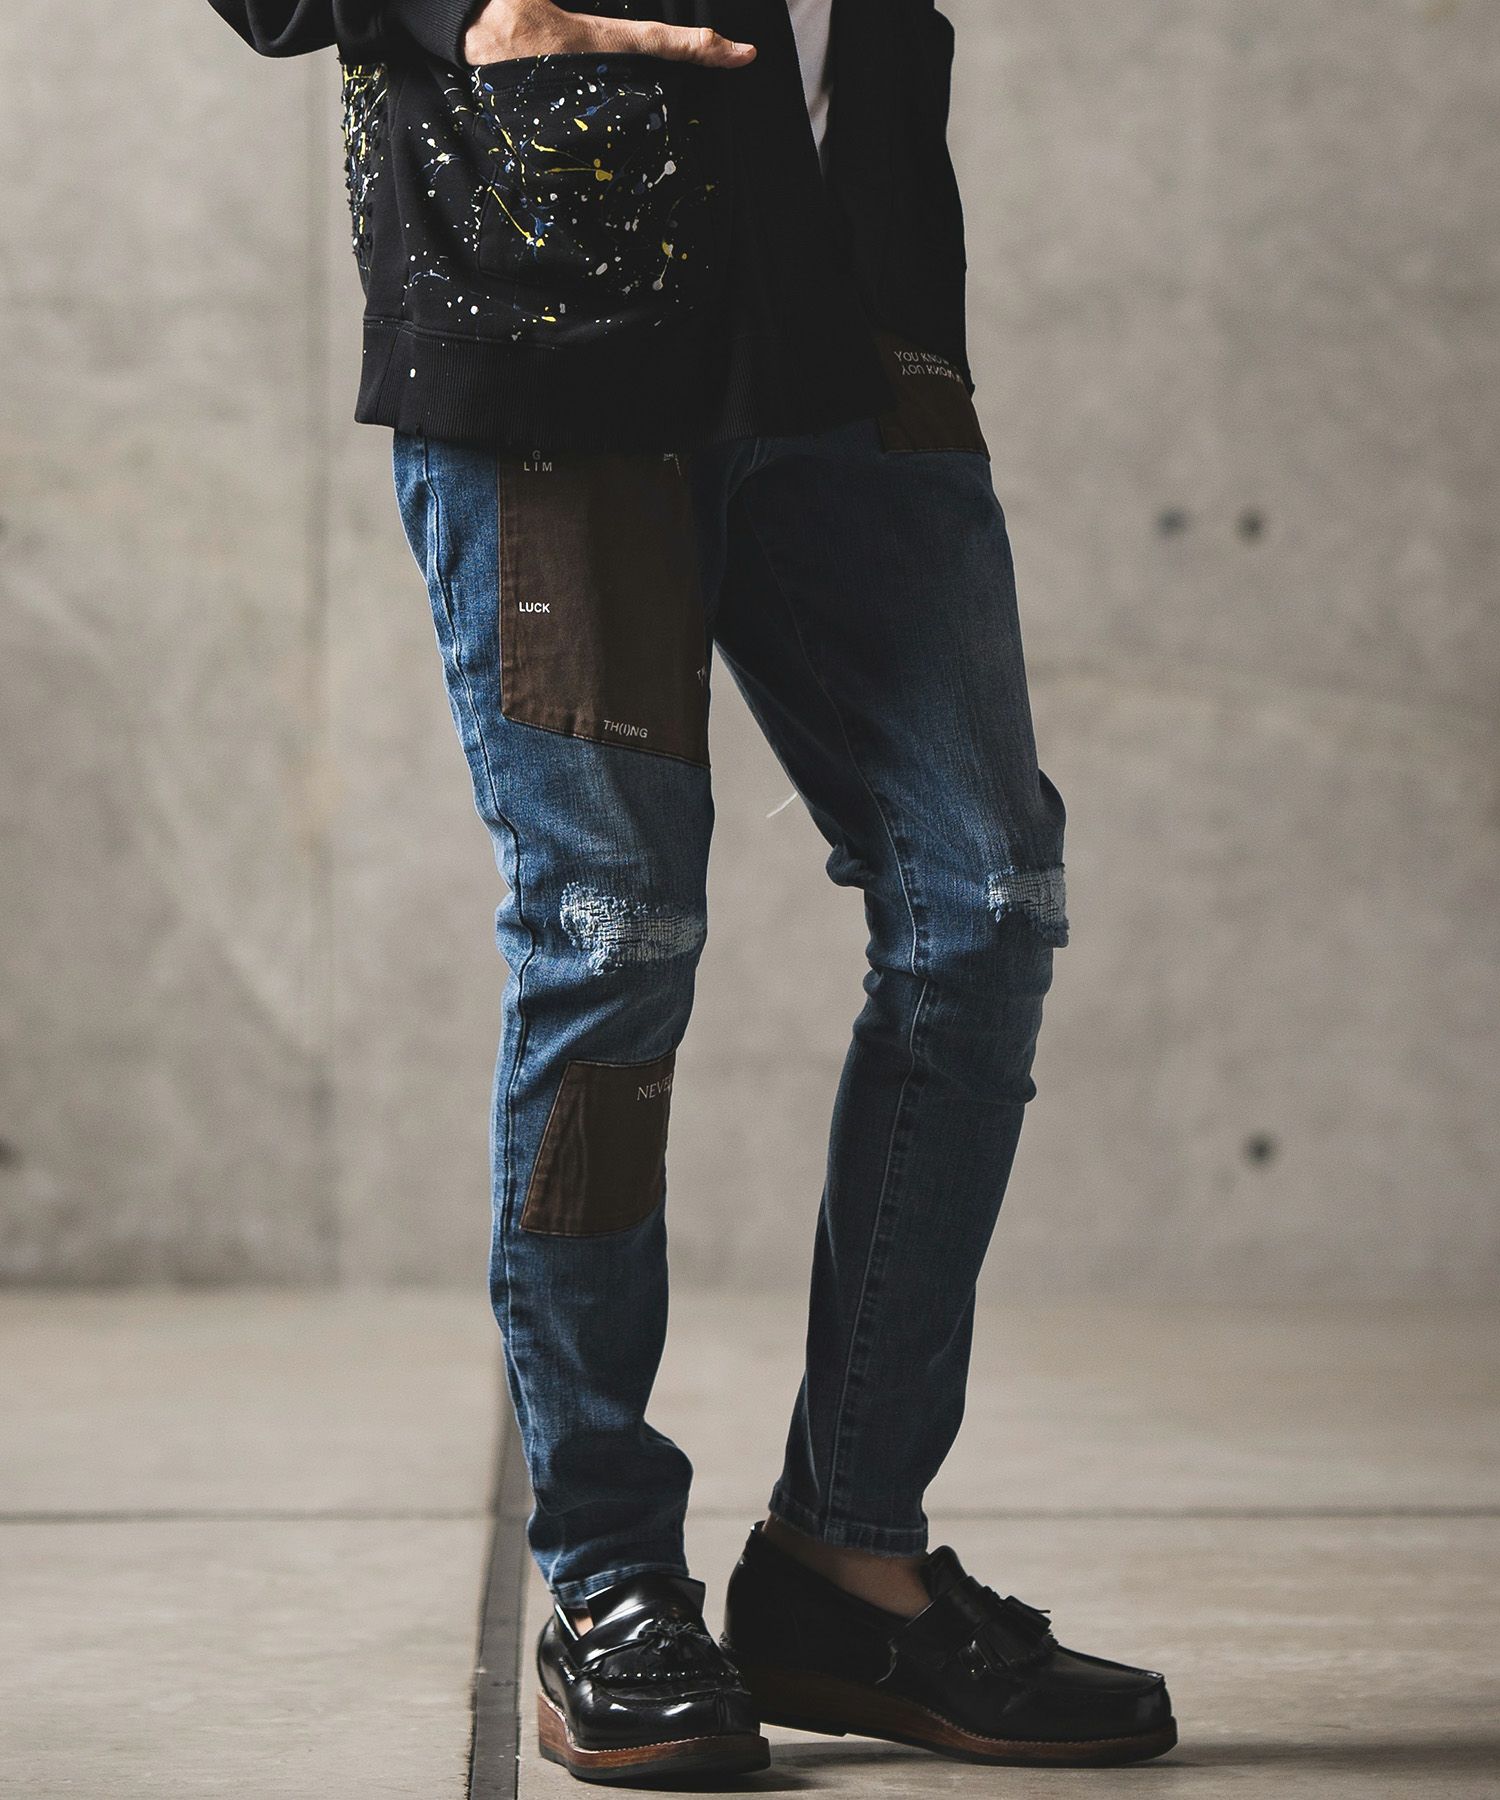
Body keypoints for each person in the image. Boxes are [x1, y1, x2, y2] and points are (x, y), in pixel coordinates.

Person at [209, 0, 1177, 1781]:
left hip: (853, 294)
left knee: (986, 903)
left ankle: (847, 1567)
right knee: (614, 934)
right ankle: (609, 1581)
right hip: (560, 292)